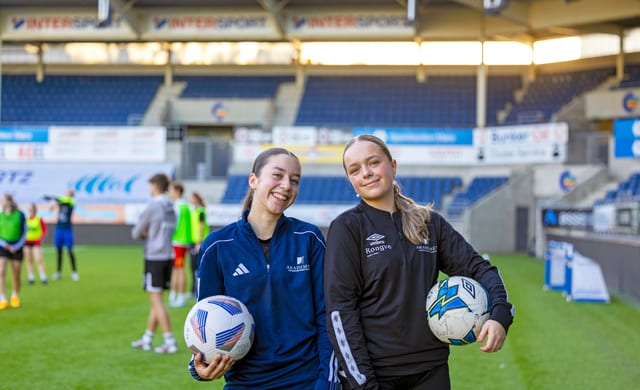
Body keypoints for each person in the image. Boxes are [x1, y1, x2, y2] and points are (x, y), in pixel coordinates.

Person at [324, 134, 515, 390]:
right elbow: (340, 311)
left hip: (430, 370)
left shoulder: (429, 223)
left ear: (392, 166)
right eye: (355, 170)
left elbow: (479, 268)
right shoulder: (347, 228)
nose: (366, 173)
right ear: (351, 181)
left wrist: (500, 315)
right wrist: (364, 383)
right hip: (374, 376)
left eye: (373, 163)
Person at [189, 148, 340, 389]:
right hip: (245, 383)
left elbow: (328, 317)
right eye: (277, 175)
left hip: (305, 381)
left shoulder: (309, 238)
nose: (286, 185)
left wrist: (326, 381)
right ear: (253, 181)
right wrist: (198, 365)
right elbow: (204, 319)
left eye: (294, 180)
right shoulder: (218, 246)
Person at [130, 173, 179, 354]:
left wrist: (146, 233)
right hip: (168, 255)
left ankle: (169, 341)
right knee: (156, 300)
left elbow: (136, 233)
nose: (150, 189)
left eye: (151, 186)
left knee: (156, 300)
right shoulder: (171, 207)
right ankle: (147, 338)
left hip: (154, 257)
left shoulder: (152, 207)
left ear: (156, 187)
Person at [0, 194, 28, 309]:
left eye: (3, 200)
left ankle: (15, 295)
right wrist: (4, 244)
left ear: (9, 202)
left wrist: (16, 246)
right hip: (3, 246)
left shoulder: (20, 215)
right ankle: (3, 299)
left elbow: (24, 232)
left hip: (17, 247)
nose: (1, 202)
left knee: (16, 274)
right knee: (1, 272)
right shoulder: (0, 215)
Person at [167, 181, 192, 307]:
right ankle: (174, 295)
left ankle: (180, 297)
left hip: (178, 241)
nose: (169, 193)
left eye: (170, 190)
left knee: (179, 269)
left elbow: (173, 225)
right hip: (184, 241)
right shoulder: (187, 206)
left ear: (177, 192)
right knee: (176, 269)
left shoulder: (177, 207)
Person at [45, 189, 78, 281]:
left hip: (67, 229)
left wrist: (52, 198)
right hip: (59, 228)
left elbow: (62, 200)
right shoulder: (61, 202)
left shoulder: (71, 201)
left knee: (70, 250)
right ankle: (58, 272)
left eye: (67, 193)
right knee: (59, 251)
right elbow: (52, 207)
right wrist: (52, 203)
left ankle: (74, 271)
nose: (65, 195)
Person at [188, 192, 208, 298]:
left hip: (198, 242)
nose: (189, 199)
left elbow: (201, 227)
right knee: (192, 267)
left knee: (196, 266)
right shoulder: (194, 211)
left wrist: (198, 242)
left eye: (191, 197)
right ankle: (193, 290)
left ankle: (196, 290)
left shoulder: (201, 212)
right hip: (193, 241)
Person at [24, 203, 48, 285]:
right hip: (27, 242)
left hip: (36, 243)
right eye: (29, 208)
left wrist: (39, 239)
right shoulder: (26, 219)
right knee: (29, 260)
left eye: (31, 208)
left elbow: (44, 230)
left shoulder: (38, 219)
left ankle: (43, 278)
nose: (30, 209)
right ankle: (31, 278)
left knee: (39, 260)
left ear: (34, 209)